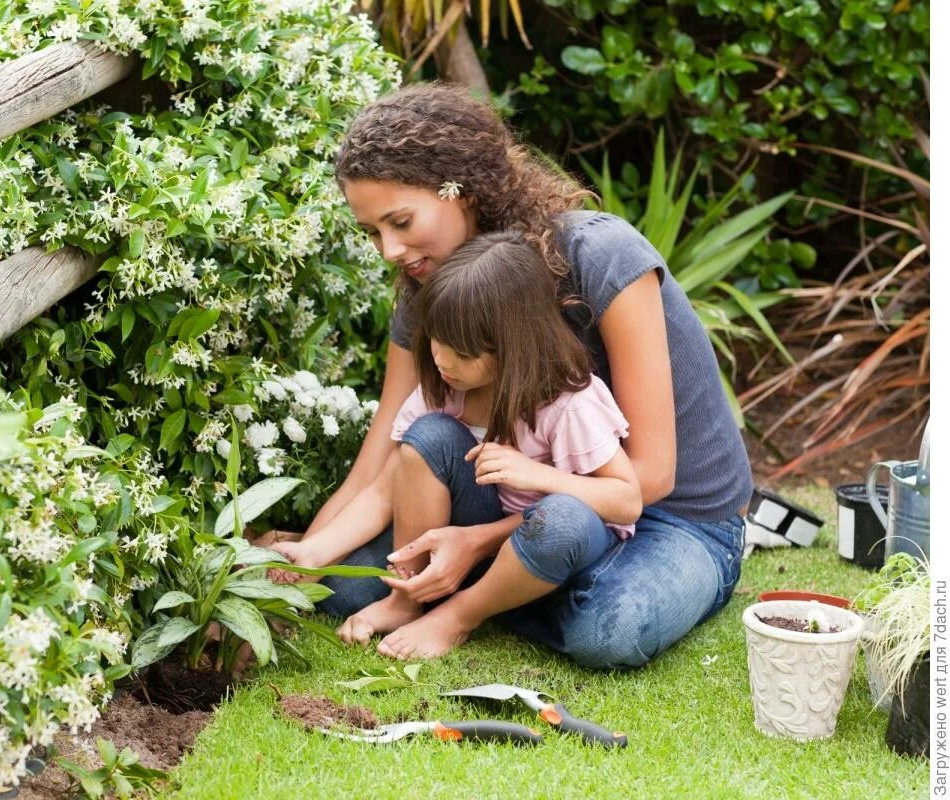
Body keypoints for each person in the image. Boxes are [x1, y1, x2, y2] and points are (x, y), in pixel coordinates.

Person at [273, 83, 751, 668]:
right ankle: (516, 586)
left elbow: (646, 480)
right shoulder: (426, 289)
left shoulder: (600, 257)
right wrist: (303, 571)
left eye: (400, 221)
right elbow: (382, 460)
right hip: (517, 497)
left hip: (667, 518)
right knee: (345, 591)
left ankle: (478, 599)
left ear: (462, 189)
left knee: (611, 630)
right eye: (373, 232)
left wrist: (474, 541)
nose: (389, 251)